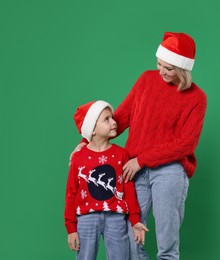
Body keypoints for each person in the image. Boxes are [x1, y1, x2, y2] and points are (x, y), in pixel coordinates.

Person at [73, 32, 207, 260]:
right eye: (159, 64)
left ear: (183, 69)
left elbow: (185, 145)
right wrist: (87, 142)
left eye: (169, 68)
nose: (162, 71)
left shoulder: (196, 98)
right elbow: (121, 118)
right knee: (130, 240)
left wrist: (142, 160)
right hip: (134, 170)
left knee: (166, 244)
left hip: (168, 171)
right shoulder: (146, 79)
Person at [65, 100, 148, 260]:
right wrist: (71, 228)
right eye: (106, 119)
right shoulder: (78, 158)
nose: (113, 122)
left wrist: (135, 220)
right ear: (92, 129)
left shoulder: (121, 155)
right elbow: (71, 193)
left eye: (112, 118)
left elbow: (128, 189)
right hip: (86, 218)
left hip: (116, 217)